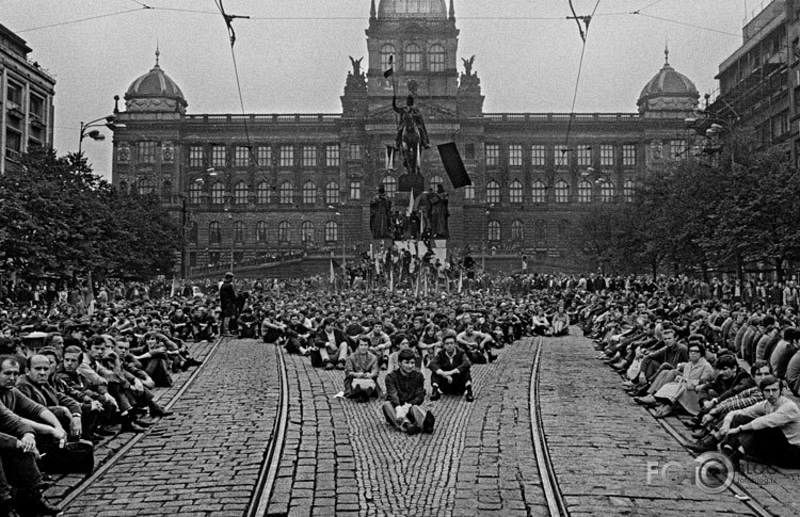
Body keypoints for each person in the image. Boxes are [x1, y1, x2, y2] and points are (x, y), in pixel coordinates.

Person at [719, 375, 800, 469]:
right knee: (740, 418)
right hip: (777, 449)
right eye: (767, 390)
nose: (771, 394)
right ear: (762, 392)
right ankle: (728, 454)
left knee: (765, 428)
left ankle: (734, 457)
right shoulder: (766, 404)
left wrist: (738, 429)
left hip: (794, 455)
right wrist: (726, 424)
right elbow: (737, 412)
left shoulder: (789, 406)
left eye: (774, 390)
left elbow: (764, 422)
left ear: (780, 391)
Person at [382, 349, 434, 435]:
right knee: (387, 405)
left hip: (410, 407)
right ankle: (406, 425)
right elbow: (392, 394)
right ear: (399, 363)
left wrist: (407, 406)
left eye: (412, 363)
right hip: (395, 409)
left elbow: (419, 396)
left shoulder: (418, 376)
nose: (410, 366)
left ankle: (425, 423)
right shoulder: (390, 377)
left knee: (415, 408)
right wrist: (399, 408)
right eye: (406, 363)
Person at [430, 333, 474, 402]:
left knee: (465, 370)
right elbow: (432, 363)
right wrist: (444, 375)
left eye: (451, 343)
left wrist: (451, 372)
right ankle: (435, 391)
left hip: (458, 384)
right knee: (435, 371)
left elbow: (467, 363)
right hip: (446, 384)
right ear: (444, 345)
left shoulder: (461, 352)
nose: (449, 345)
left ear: (455, 344)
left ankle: (469, 392)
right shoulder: (441, 354)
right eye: (447, 344)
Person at [219, 272, 237, 337]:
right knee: (227, 317)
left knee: (224, 317)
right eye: (232, 278)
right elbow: (233, 296)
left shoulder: (223, 285)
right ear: (229, 278)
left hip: (224, 304)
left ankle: (222, 331)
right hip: (228, 304)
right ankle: (226, 331)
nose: (232, 279)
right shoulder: (229, 285)